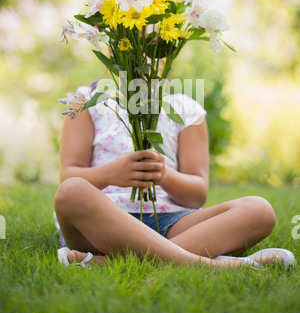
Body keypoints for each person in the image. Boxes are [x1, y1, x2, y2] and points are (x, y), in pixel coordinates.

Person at [54, 88, 295, 270]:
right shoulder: (86, 100)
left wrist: (165, 175)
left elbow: (197, 194)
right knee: (71, 191)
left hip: (173, 221)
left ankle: (106, 262)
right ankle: (214, 265)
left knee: (259, 210)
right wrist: (109, 174)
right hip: (101, 224)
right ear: (112, 43)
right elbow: (68, 174)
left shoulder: (186, 109)